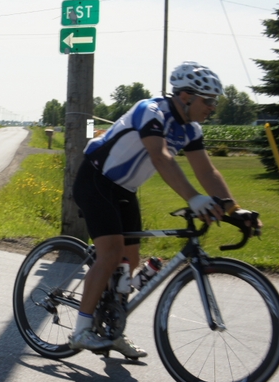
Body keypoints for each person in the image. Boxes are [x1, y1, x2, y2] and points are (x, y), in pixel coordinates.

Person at [68, 61, 262, 358]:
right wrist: (194, 199)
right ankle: (81, 331)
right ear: (185, 96)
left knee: (130, 260)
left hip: (124, 189)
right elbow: (160, 157)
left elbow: (207, 171)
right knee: (110, 251)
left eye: (214, 101)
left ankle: (112, 329)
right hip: (95, 179)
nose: (212, 107)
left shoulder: (191, 129)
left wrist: (234, 209)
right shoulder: (151, 111)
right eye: (208, 100)